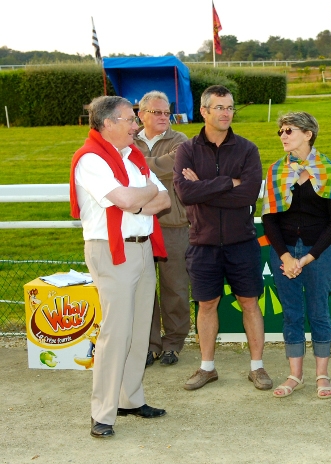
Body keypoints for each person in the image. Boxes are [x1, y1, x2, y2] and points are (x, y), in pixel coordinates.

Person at [69, 96, 171, 438]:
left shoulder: (133, 156)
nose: (136, 125)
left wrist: (137, 202)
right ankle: (102, 413)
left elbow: (164, 199)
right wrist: (143, 194)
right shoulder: (90, 159)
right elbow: (128, 198)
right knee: (116, 333)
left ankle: (130, 398)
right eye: (130, 119)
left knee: (139, 330)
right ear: (107, 123)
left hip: (142, 250)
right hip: (111, 252)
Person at [174, 85, 271, 391]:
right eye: (220, 108)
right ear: (204, 111)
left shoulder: (247, 149)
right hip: (202, 243)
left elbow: (248, 195)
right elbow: (185, 193)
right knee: (206, 304)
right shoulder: (187, 150)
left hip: (241, 241)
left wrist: (204, 187)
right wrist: (229, 181)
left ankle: (257, 367)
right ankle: (207, 368)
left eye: (230, 107)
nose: (227, 113)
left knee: (249, 302)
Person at [261, 112, 331, 399]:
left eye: (289, 130)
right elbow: (269, 219)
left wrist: (308, 257)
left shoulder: (329, 169)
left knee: (319, 312)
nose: (283, 135)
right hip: (283, 253)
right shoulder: (276, 170)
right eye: (281, 131)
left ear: (308, 134)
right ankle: (295, 375)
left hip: (319, 253)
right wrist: (286, 257)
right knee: (292, 314)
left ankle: (322, 375)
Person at [134, 91, 190, 368]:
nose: (164, 117)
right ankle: (150, 344)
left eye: (167, 112)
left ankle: (174, 343)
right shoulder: (128, 139)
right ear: (141, 114)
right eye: (157, 112)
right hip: (136, 225)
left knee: (175, 287)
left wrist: (134, 166)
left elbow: (173, 166)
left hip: (173, 224)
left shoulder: (181, 141)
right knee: (143, 289)